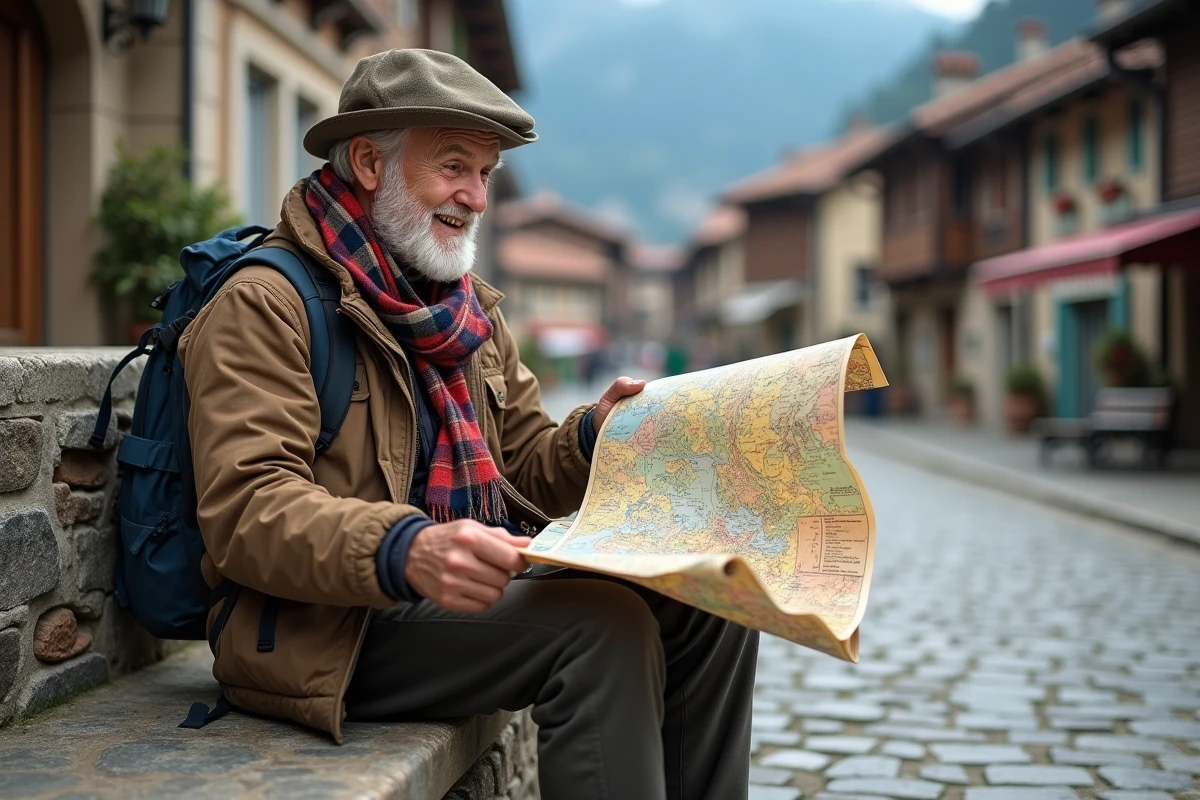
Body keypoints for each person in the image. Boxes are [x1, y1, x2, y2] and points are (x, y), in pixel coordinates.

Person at [178, 49, 758, 800]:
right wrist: (406, 547)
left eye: (485, 174)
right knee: (600, 626)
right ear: (367, 162)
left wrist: (596, 436)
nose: (476, 197)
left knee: (715, 599)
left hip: (452, 591)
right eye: (455, 167)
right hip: (325, 630)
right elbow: (246, 513)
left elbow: (526, 465)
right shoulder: (264, 303)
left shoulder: (467, 311)